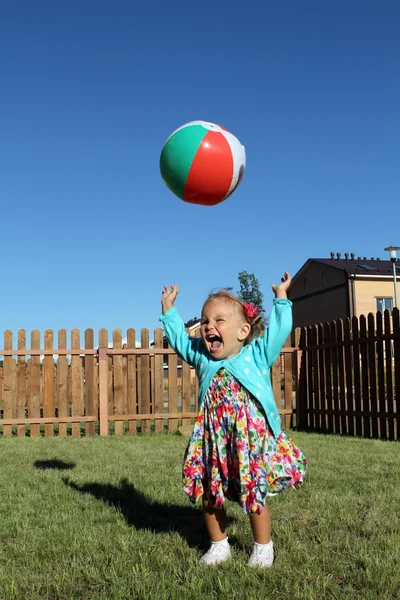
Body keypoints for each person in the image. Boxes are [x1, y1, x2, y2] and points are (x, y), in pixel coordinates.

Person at [160, 272, 307, 567]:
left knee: (253, 490)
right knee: (208, 490)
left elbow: (279, 330)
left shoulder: (256, 355)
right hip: (212, 439)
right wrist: (169, 311)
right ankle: (218, 545)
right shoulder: (201, 355)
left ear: (242, 331)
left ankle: (263, 547)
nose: (209, 327)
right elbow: (178, 339)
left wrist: (281, 298)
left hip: (248, 441)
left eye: (218, 321)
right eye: (205, 322)